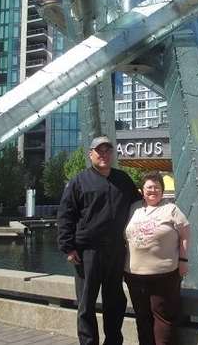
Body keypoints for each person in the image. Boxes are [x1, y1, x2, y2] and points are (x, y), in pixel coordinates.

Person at [57, 136, 141, 345]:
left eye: (108, 151)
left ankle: (113, 342)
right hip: (87, 251)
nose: (104, 155)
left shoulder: (123, 179)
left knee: (116, 301)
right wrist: (68, 247)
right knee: (86, 303)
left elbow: (138, 207)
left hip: (116, 250)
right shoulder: (79, 181)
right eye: (99, 151)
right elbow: (65, 215)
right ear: (91, 154)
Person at [124, 171, 190, 345]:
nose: (152, 190)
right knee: (142, 317)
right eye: (148, 187)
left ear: (162, 189)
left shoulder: (171, 209)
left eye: (156, 187)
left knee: (164, 318)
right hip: (134, 274)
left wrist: (183, 260)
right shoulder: (133, 208)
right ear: (142, 190)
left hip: (164, 274)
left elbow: (185, 233)